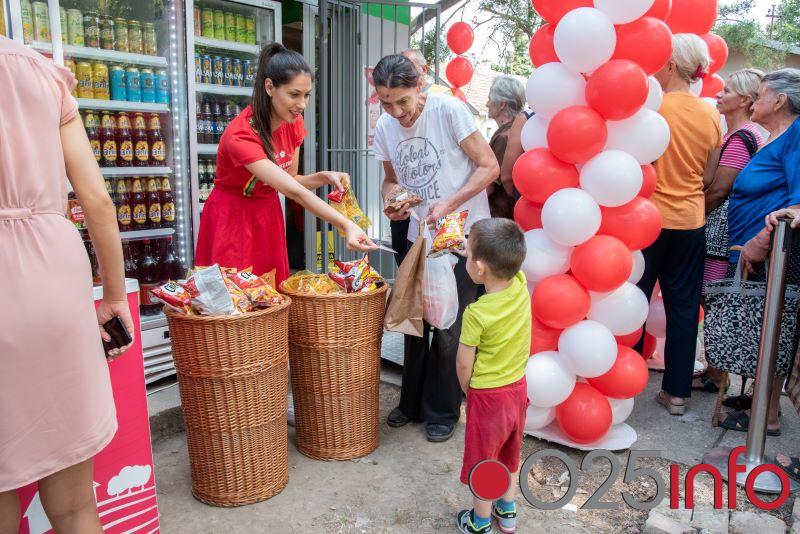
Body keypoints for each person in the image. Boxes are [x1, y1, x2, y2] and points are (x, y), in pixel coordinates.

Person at [0, 36, 134, 532]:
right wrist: (115, 297)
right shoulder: (40, 71)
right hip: (54, 274)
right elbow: (97, 199)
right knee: (76, 508)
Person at [372, 54, 499, 442]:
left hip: (460, 238)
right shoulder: (385, 127)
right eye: (386, 102)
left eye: (402, 102)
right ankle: (410, 403)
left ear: (419, 88)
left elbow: (489, 165)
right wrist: (392, 202)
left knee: (449, 325)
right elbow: (390, 180)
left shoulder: (448, 110)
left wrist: (451, 201)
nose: (396, 112)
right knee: (415, 318)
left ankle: (443, 409)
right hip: (419, 237)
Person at [195, 43, 376, 282]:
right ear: (269, 87)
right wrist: (345, 224)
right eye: (294, 94)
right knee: (234, 298)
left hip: (268, 213)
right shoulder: (240, 134)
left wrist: (323, 177)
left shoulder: (294, 123)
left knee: (270, 293)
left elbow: (291, 181)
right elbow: (295, 192)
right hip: (232, 218)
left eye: (307, 95)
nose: (302, 104)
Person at [636, 33, 722, 415]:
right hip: (690, 220)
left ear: (671, 65)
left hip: (648, 219)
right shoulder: (710, 114)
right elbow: (708, 176)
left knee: (633, 302)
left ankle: (622, 381)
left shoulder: (653, 108)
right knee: (684, 309)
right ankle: (676, 395)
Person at [716, 68, 800, 436]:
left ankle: (768, 416)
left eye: (761, 94)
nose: (755, 101)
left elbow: (796, 203)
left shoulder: (796, 134)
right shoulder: (776, 136)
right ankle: (760, 404)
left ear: (780, 100)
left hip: (774, 254)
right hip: (756, 252)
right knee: (762, 329)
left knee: (775, 331)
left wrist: (762, 239)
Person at [455, 219, 530, 534]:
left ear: (481, 268)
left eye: (468, 254)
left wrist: (467, 391)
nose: (466, 258)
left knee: (484, 460)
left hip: (488, 397)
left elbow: (463, 362)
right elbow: (492, 263)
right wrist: (467, 249)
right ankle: (507, 512)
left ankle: (480, 521)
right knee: (509, 453)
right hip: (517, 390)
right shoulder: (520, 283)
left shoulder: (477, 313)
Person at [695, 68, 765, 392]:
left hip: (722, 233)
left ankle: (717, 372)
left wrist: (695, 215)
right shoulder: (741, 134)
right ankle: (715, 369)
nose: (720, 95)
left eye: (729, 91)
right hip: (728, 230)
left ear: (746, 100)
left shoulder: (740, 138)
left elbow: (720, 188)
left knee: (714, 296)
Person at [485, 76, 526, 219]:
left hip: (501, 215)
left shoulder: (504, 137)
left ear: (502, 104)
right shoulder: (522, 130)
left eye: (489, 99)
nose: (486, 104)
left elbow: (488, 185)